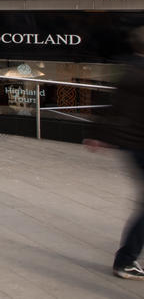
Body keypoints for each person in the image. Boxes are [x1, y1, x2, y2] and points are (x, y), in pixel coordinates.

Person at [86, 27, 144, 280]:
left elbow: (115, 106)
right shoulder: (139, 73)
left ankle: (127, 258)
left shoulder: (130, 69)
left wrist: (99, 134)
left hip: (131, 144)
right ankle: (126, 260)